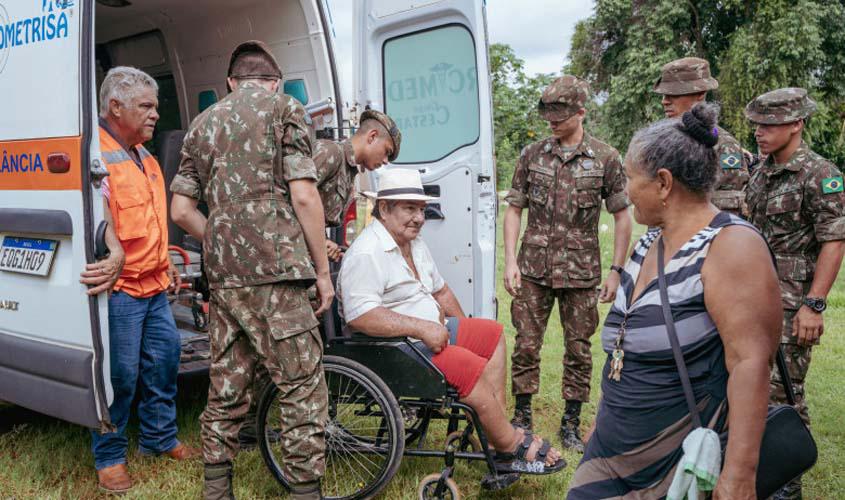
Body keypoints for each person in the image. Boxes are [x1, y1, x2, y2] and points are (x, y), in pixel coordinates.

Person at [567, 103, 782, 499]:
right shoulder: (650, 240)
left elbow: (751, 364)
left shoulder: (731, 246)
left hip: (673, 457)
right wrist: (604, 417)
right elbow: (625, 344)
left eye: (631, 179)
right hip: (612, 449)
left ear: (664, 183)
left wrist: (738, 474)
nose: (625, 190)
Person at [169, 41, 332, 500]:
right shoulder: (286, 109)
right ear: (274, 82)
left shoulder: (201, 125)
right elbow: (304, 194)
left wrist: (222, 243)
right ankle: (305, 493)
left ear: (230, 83)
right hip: (277, 275)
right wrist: (321, 271)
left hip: (224, 279)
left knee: (226, 385)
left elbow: (182, 209)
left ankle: (216, 491)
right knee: (301, 387)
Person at [338, 168, 566, 476]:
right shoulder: (367, 252)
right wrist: (422, 328)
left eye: (421, 209)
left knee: (492, 334)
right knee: (465, 365)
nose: (419, 217)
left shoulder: (413, 243)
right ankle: (508, 446)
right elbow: (361, 315)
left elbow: (441, 290)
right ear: (384, 208)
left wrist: (464, 331)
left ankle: (493, 426)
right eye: (409, 208)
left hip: (426, 334)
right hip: (391, 347)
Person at [236, 109, 401, 449]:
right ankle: (256, 424)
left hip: (307, 263)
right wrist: (315, 242)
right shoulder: (327, 153)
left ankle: (278, 420)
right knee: (275, 349)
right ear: (371, 137)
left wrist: (331, 246)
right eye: (385, 153)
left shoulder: (350, 170)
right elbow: (285, 202)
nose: (384, 162)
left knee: (293, 349)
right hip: (286, 262)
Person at [502, 75, 632, 450]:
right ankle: (522, 415)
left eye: (560, 114)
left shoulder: (606, 158)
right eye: (548, 115)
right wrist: (510, 261)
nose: (552, 122)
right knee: (526, 344)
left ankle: (571, 422)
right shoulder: (532, 155)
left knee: (579, 349)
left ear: (581, 112)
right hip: (534, 269)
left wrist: (616, 270)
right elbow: (514, 210)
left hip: (581, 272)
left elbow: (622, 217)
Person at [86, 66, 199, 494]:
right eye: (146, 106)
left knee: (164, 362)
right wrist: (114, 250)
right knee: (120, 376)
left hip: (153, 284)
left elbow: (151, 218)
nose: (156, 114)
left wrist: (166, 260)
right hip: (120, 290)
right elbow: (94, 211)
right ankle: (110, 457)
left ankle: (159, 438)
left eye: (156, 106)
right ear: (115, 107)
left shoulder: (146, 156)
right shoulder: (94, 152)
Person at [744, 87, 845, 500]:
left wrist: (814, 305)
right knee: (749, 384)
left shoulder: (820, 173)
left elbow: (834, 240)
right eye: (756, 125)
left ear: (796, 124)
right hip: (752, 296)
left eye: (769, 125)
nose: (759, 132)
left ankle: (788, 483)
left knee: (785, 391)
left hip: (791, 302)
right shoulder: (760, 171)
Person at [653, 57, 751, 217]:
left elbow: (729, 210)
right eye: (664, 95)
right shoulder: (660, 143)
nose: (665, 101)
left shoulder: (724, 146)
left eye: (673, 94)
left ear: (700, 93)